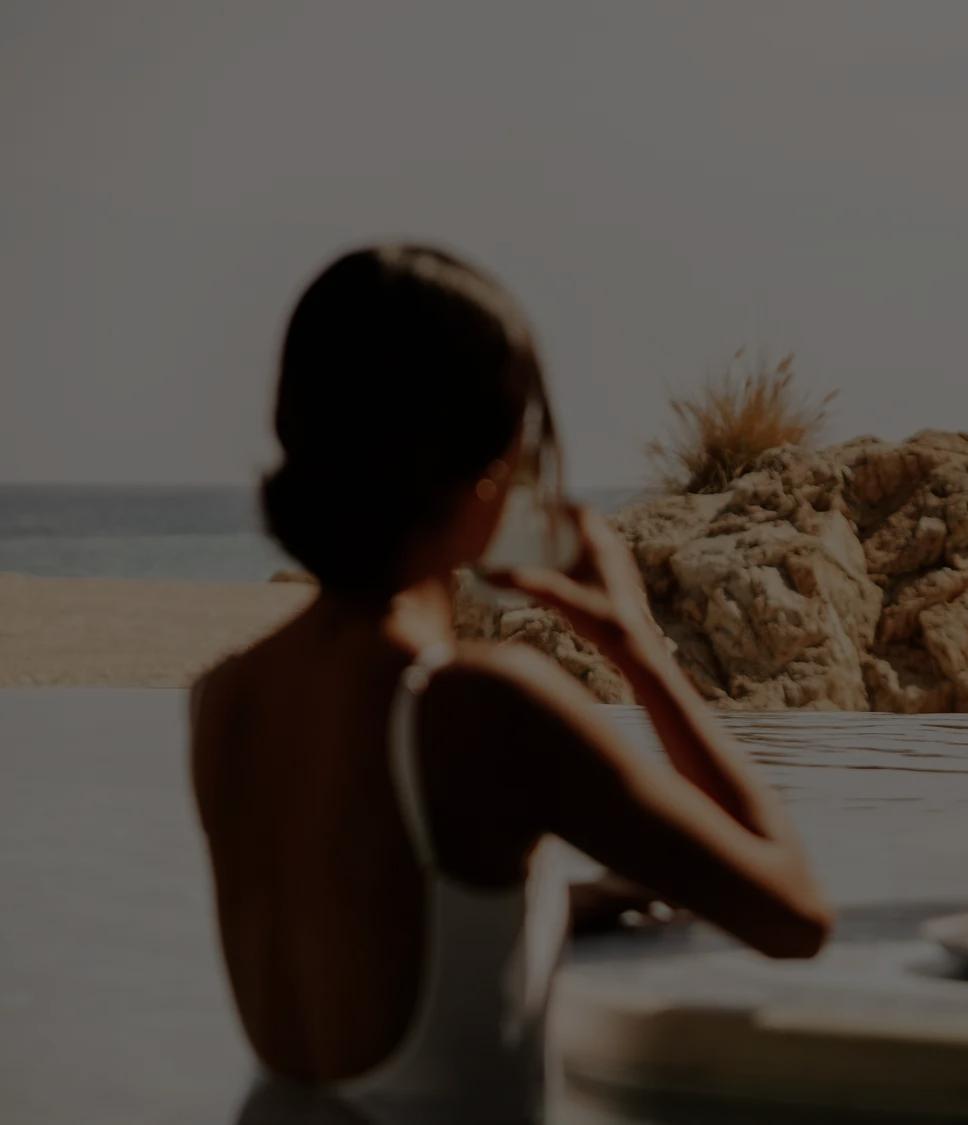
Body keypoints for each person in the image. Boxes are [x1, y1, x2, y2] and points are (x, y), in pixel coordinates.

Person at [189, 244, 830, 1123]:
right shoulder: (478, 704)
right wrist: (640, 648)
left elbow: (357, 925)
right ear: (490, 466)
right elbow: (796, 914)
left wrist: (550, 909)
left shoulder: (224, 698)